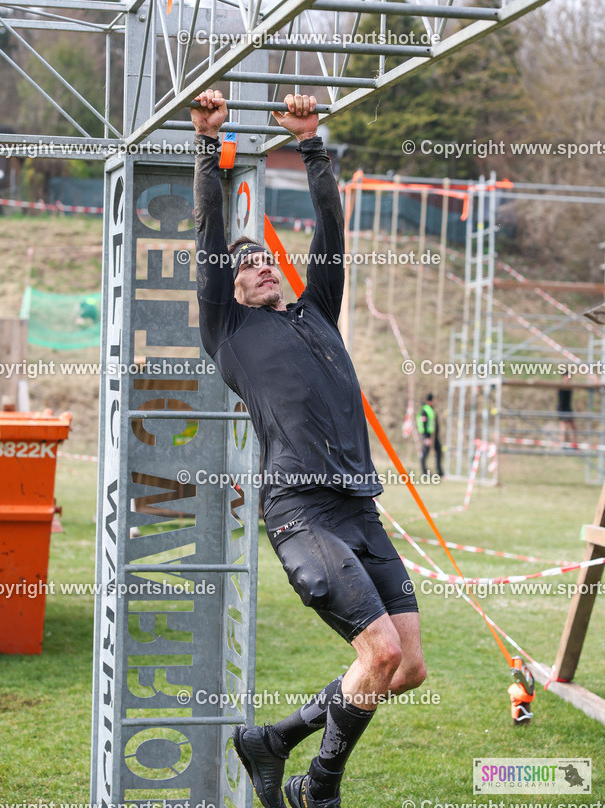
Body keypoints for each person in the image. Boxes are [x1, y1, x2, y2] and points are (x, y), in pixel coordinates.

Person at [191, 89, 426, 808]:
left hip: (359, 508)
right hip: (301, 512)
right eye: (248, 265)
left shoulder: (315, 310)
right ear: (229, 287)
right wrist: (209, 145)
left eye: (267, 259)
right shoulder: (228, 331)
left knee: (406, 669)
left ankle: (273, 738)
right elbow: (207, 232)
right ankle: (317, 785)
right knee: (376, 655)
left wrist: (313, 145)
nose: (263, 265)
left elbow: (331, 229)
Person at [417, 393, 443, 478]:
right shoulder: (425, 410)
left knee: (439, 452)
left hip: (433, 435)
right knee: (425, 453)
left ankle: (439, 471)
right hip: (428, 435)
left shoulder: (430, 409)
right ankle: (424, 472)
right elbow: (424, 423)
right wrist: (426, 437)